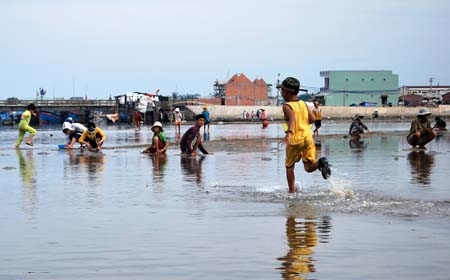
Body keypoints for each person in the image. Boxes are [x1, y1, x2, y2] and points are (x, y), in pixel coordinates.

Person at [279, 77, 331, 193]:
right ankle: (320, 163)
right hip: (307, 137)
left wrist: (289, 133)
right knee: (308, 167)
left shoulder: (286, 106)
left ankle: (291, 192)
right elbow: (312, 119)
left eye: (282, 90)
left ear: (286, 92)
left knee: (289, 166)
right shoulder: (303, 103)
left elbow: (292, 118)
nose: (281, 92)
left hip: (295, 139)